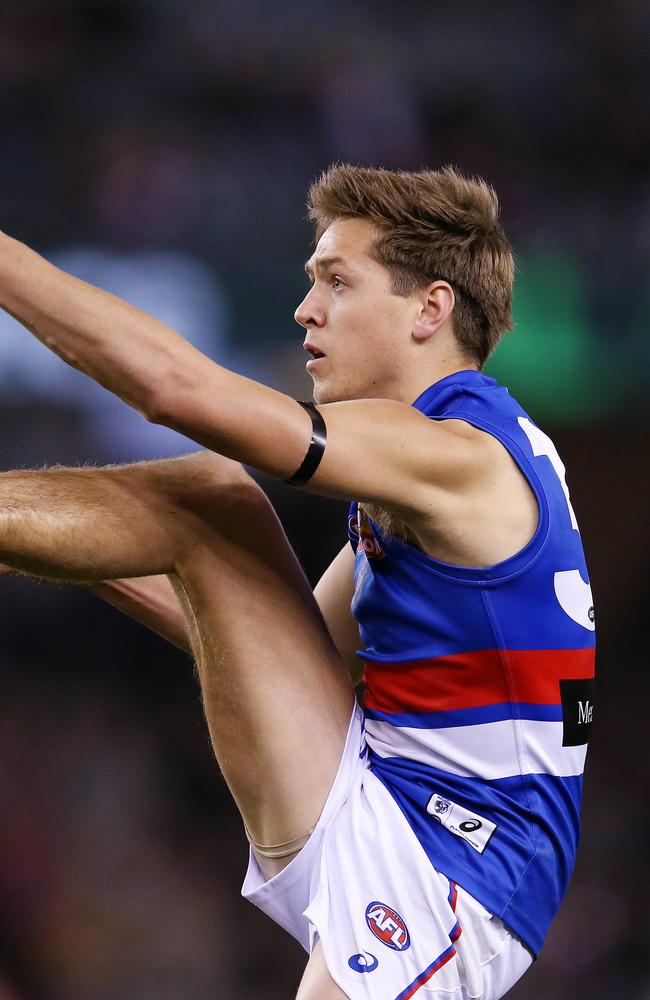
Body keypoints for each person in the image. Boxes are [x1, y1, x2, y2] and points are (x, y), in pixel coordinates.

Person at [0, 165, 595, 999]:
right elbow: (285, 646)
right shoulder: (421, 473)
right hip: (387, 798)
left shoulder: (461, 458)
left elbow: (178, 389)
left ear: (431, 309)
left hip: (455, 877)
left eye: (337, 283)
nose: (305, 310)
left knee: (214, 493)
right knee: (212, 504)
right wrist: (67, 548)